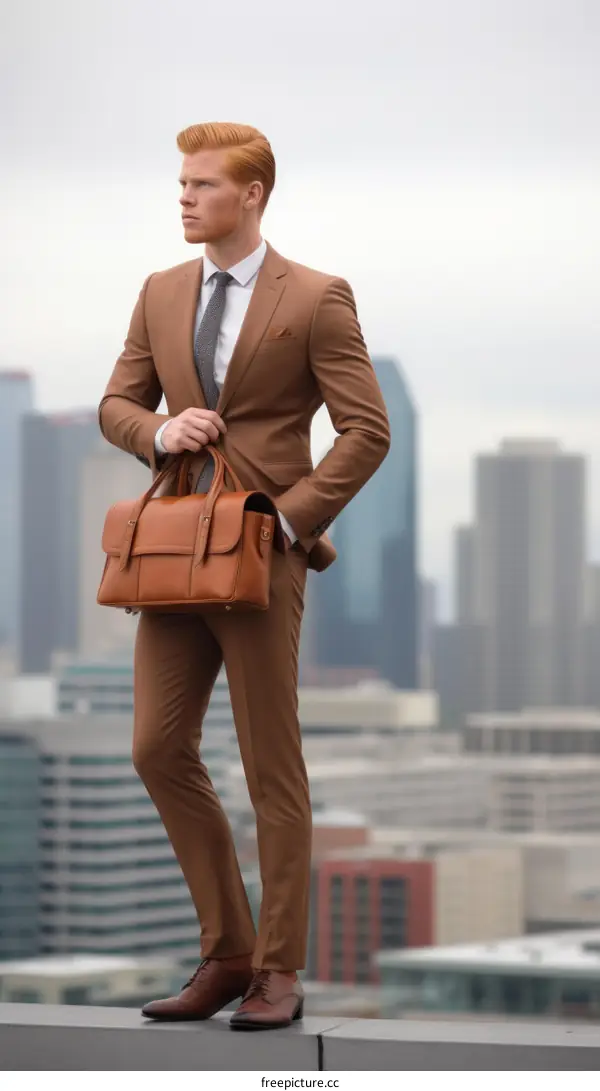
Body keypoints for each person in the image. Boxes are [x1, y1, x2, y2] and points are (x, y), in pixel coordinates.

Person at [99, 121, 391, 1031]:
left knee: (273, 764)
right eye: (180, 184)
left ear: (252, 194)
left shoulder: (315, 296)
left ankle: (278, 969)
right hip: (176, 547)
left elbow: (366, 429)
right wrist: (158, 431)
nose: (183, 197)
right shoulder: (159, 291)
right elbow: (116, 403)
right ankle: (226, 952)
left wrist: (291, 523)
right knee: (156, 746)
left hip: (261, 555)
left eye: (202, 185)